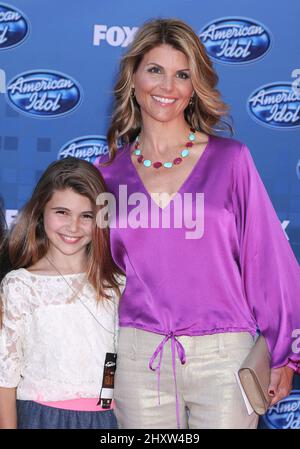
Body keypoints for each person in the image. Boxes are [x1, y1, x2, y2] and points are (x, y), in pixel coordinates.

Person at [95, 18, 300, 429]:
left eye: (181, 74)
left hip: (225, 359)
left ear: (193, 88)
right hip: (136, 359)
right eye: (155, 70)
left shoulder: (231, 160)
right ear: (133, 79)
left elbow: (269, 262)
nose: (167, 86)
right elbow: (94, 275)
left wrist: (286, 353)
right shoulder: (105, 174)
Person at [0, 157, 124, 429]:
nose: (73, 227)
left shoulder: (117, 284)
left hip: (109, 419)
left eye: (86, 216)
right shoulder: (20, 286)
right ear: (40, 211)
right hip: (41, 418)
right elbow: (5, 380)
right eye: (62, 212)